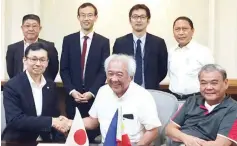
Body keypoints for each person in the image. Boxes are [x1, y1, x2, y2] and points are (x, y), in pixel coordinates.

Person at [81, 54, 161, 145]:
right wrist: (70, 123)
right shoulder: (102, 91)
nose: (114, 79)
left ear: (130, 77)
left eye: (119, 75)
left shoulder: (143, 96)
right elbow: (93, 121)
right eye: (110, 74)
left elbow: (153, 131)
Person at [60, 2, 110, 142]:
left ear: (95, 17)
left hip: (94, 100)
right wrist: (72, 91)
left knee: (93, 138)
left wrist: (91, 92)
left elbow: (103, 70)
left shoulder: (103, 42)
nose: (86, 18)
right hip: (72, 99)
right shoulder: (68, 40)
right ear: (78, 17)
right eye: (83, 15)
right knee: (73, 137)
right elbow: (64, 69)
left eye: (90, 15)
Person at [2, 42, 68, 142]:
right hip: (19, 141)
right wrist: (51, 121)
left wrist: (60, 140)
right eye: (34, 59)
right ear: (25, 60)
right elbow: (15, 120)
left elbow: (55, 115)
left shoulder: (50, 85)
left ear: (47, 62)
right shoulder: (12, 86)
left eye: (42, 60)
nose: (38, 64)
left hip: (46, 141)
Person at [165, 64, 237, 146]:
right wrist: (186, 139)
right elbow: (169, 129)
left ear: (225, 83)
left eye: (214, 83)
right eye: (203, 83)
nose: (208, 87)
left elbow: (222, 144)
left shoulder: (233, 109)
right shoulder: (191, 101)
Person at [113, 4, 168, 89]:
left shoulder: (158, 43)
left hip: (151, 90)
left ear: (148, 20)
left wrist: (152, 82)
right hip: (126, 90)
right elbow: (115, 68)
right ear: (130, 20)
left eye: (142, 17)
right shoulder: (120, 43)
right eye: (135, 17)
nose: (138, 20)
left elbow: (163, 69)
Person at [168, 16, 215, 100]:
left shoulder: (203, 51)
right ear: (173, 32)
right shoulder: (171, 52)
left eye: (185, 29)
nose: (181, 33)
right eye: (177, 29)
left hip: (196, 99)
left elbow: (212, 77)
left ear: (192, 31)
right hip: (174, 99)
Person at [6, 14, 59, 81]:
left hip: (43, 87)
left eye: (34, 26)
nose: (31, 29)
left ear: (40, 28)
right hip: (19, 87)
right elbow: (11, 71)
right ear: (22, 28)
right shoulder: (12, 48)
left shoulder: (50, 47)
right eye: (27, 26)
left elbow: (54, 69)